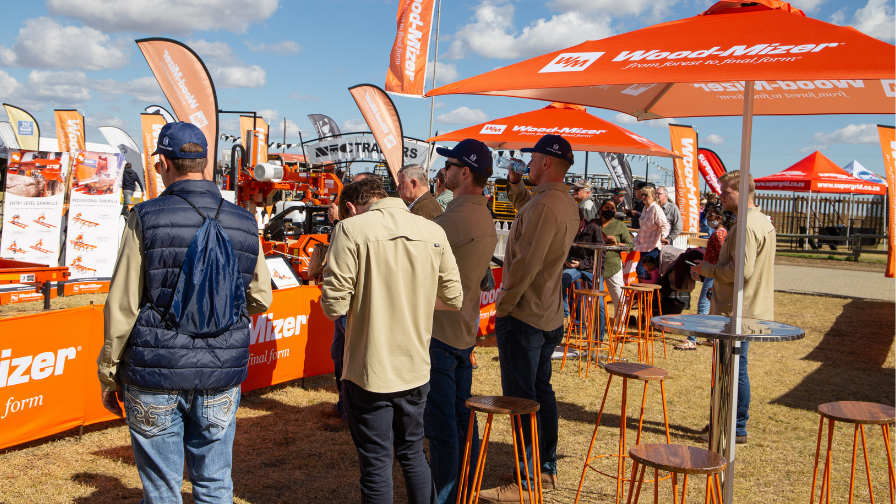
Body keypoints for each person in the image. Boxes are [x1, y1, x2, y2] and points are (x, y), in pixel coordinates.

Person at [97, 122, 273, 503]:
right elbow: (261, 297)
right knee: (214, 484)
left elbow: (124, 305)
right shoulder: (244, 220)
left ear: (163, 163)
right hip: (220, 371)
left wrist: (109, 373)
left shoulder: (144, 217)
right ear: (206, 162)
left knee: (162, 490)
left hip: (156, 367)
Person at [321, 177, 463, 503]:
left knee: (376, 464)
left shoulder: (350, 230)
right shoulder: (432, 230)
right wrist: (411, 299)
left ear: (350, 208)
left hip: (369, 370)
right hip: (414, 367)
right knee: (412, 453)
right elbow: (453, 297)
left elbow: (334, 306)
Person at [479, 134, 579, 502]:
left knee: (521, 398)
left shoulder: (546, 207)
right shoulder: (559, 201)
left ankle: (528, 476)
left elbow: (526, 263)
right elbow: (527, 208)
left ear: (547, 163)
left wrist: (503, 304)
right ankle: (543, 468)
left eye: (533, 159)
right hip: (547, 311)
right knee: (540, 393)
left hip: (526, 313)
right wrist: (517, 183)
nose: (528, 163)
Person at [426, 139, 498, 504]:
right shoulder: (480, 215)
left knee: (442, 430)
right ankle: (463, 491)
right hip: (461, 332)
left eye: (451, 166)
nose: (445, 171)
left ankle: (447, 496)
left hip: (440, 333)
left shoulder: (452, 220)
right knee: (460, 421)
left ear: (465, 172)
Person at [691, 170, 775, 444]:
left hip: (738, 310)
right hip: (742, 307)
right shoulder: (757, 221)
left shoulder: (748, 225)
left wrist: (708, 269)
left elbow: (742, 271)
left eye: (726, 191)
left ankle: (733, 426)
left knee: (732, 368)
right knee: (733, 366)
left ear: (742, 192)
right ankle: (727, 422)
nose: (721, 196)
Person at [321, 171, 384, 432]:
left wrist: (339, 223)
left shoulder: (358, 225)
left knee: (353, 361)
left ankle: (353, 413)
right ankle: (345, 406)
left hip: (357, 305)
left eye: (355, 187)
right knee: (340, 355)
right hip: (350, 304)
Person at [676, 204, 729, 350]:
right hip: (713, 271)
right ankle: (712, 338)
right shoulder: (720, 232)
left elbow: (724, 255)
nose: (707, 218)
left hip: (714, 272)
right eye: (707, 215)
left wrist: (709, 267)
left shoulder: (719, 233)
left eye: (711, 215)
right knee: (712, 306)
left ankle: (692, 339)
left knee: (704, 304)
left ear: (719, 217)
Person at [632, 186, 670, 280]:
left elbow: (665, 225)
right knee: (645, 272)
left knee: (642, 270)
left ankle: (647, 293)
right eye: (642, 195)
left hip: (652, 247)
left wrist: (663, 236)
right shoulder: (645, 208)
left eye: (646, 195)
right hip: (644, 245)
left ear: (653, 196)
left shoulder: (656, 209)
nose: (643, 197)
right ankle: (646, 293)